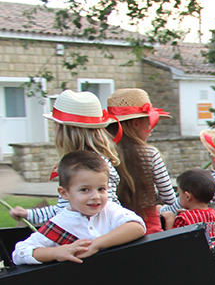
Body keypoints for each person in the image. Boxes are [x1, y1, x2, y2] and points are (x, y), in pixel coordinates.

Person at [10, 90, 122, 226]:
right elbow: (63, 210)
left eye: (56, 125)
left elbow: (101, 214)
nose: (54, 130)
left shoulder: (94, 167)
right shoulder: (80, 164)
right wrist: (29, 214)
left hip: (92, 239)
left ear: (66, 132)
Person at [13, 151, 146, 265]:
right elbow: (19, 253)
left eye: (101, 189)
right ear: (64, 193)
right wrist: (55, 252)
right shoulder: (59, 224)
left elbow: (137, 227)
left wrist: (96, 244)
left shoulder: (110, 211)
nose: (95, 196)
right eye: (84, 190)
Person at [106, 88, 176, 234]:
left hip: (115, 228)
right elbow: (169, 198)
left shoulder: (106, 154)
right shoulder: (150, 154)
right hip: (148, 226)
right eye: (149, 122)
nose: (151, 128)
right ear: (136, 124)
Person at [163, 168, 215, 245]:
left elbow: (173, 243)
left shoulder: (184, 218)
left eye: (179, 193)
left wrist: (169, 220)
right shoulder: (213, 214)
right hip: (211, 255)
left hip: (192, 256)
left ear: (187, 196)